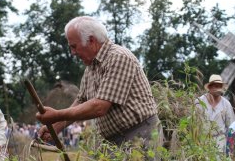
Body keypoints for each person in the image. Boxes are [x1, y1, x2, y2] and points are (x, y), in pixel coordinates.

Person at [36, 16, 163, 148]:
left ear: (91, 40)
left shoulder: (118, 58)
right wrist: (57, 126)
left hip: (140, 135)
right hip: (114, 140)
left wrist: (56, 115)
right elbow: (81, 101)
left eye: (74, 46)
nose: (72, 53)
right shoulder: (91, 68)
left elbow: (99, 107)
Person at [196, 74, 235, 151]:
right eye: (215, 86)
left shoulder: (226, 104)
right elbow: (195, 124)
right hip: (203, 141)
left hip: (220, 143)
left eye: (219, 86)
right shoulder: (199, 102)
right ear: (210, 87)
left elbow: (231, 126)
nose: (218, 89)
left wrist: (231, 146)